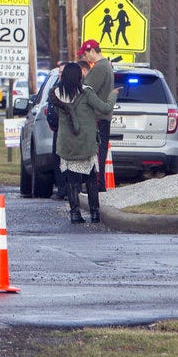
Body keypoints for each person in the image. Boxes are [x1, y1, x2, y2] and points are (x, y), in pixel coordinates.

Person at [49, 62, 119, 224]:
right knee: (91, 179)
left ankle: (75, 214)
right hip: (86, 142)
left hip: (66, 143)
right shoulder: (86, 92)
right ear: (79, 76)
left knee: (72, 180)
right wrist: (113, 94)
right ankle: (94, 213)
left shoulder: (56, 94)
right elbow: (105, 108)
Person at [78, 39, 114, 192]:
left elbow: (86, 89)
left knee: (96, 151)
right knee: (98, 150)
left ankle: (97, 185)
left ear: (92, 50)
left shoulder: (100, 68)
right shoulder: (105, 66)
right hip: (101, 117)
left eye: (85, 54)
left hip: (97, 117)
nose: (84, 58)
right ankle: (97, 184)